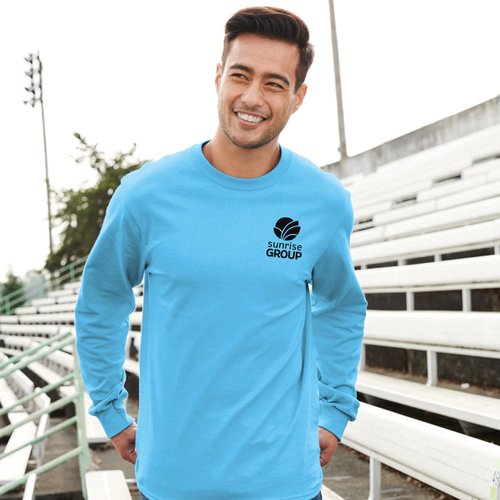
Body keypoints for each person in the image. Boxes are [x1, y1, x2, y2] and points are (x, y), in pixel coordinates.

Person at [75, 6, 367, 500]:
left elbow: (340, 306)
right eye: (240, 75)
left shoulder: (323, 201)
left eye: (274, 83)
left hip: (285, 483)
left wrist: (335, 409)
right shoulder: (145, 195)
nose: (252, 97)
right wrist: (109, 407)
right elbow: (102, 298)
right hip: (174, 481)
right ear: (218, 77)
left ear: (298, 97)